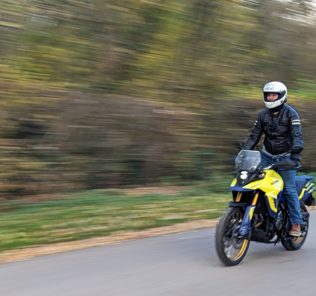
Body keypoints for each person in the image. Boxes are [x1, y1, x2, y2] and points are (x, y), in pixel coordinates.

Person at [242, 81, 304, 237]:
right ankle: (259, 216)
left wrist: (295, 156)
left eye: (273, 95)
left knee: (289, 189)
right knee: (254, 183)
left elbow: (297, 136)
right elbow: (254, 136)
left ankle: (296, 223)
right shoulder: (262, 114)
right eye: (268, 95)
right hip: (266, 155)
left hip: (286, 157)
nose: (270, 98)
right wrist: (243, 151)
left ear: (282, 96)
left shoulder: (291, 113)